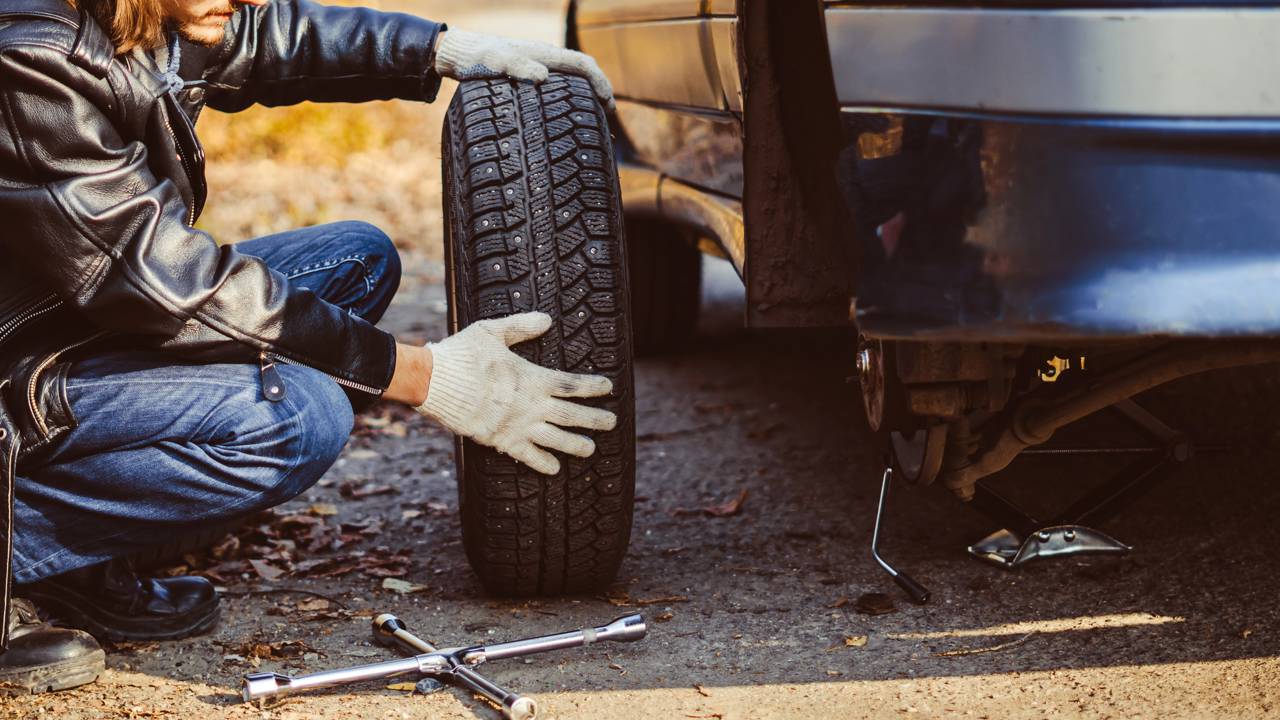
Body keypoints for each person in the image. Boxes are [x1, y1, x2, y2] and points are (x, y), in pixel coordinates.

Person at [0, 0, 618, 695]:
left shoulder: (144, 18)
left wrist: (440, 48)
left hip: (66, 325)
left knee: (355, 261)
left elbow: (270, 39)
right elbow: (166, 284)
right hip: (16, 373)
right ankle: (21, 550)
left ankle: (74, 558)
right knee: (298, 418)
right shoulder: (29, 61)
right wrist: (423, 374)